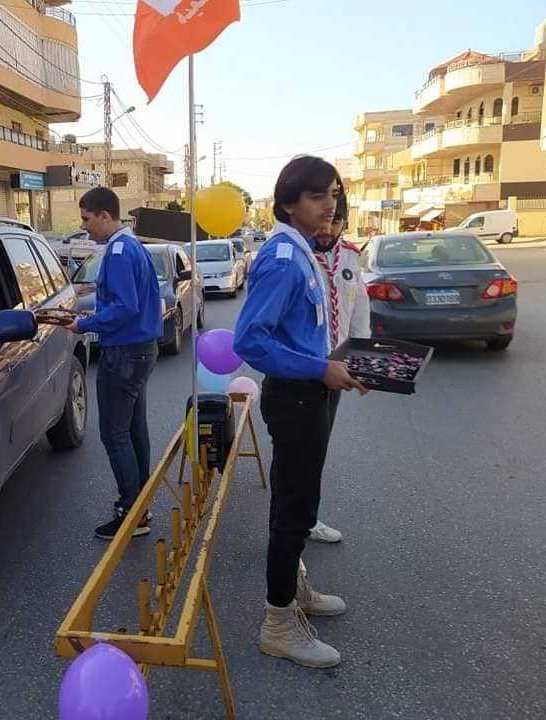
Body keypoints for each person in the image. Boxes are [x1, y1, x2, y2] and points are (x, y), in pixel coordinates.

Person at [234, 156, 368, 669]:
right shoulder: (284, 258)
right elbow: (250, 341)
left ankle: (295, 588)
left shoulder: (303, 250)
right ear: (288, 203)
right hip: (295, 398)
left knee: (298, 504)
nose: (330, 203)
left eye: (333, 193)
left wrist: (345, 369)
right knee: (293, 512)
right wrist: (320, 370)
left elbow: (309, 330)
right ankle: (278, 624)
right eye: (316, 195)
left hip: (310, 393)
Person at [67, 187, 163, 540]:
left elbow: (124, 307)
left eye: (87, 218)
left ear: (105, 215)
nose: (84, 226)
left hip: (124, 353)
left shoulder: (120, 251)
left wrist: (85, 324)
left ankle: (130, 512)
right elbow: (127, 302)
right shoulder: (131, 246)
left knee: (114, 433)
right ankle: (140, 506)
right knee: (134, 431)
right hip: (139, 349)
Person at [308, 194, 371, 544]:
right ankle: (287, 526)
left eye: (336, 222)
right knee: (295, 454)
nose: (328, 230)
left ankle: (307, 519)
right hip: (305, 370)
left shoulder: (350, 255)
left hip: (338, 369)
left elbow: (359, 308)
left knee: (319, 448)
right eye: (325, 221)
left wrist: (362, 361)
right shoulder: (300, 256)